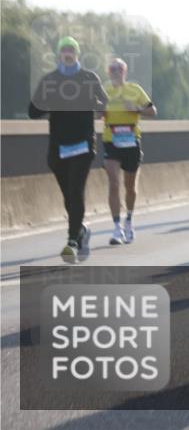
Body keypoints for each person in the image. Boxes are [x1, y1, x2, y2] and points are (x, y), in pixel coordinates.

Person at [29, 36, 108, 263]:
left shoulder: (89, 78)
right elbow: (33, 112)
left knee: (76, 191)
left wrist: (91, 106)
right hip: (58, 147)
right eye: (64, 50)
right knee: (68, 196)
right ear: (59, 54)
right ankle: (81, 230)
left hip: (83, 144)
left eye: (71, 50)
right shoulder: (50, 80)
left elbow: (104, 103)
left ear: (77, 54)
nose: (68, 53)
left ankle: (72, 241)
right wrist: (50, 104)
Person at [102, 58, 156, 245]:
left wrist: (137, 109)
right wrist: (99, 111)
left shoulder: (135, 89)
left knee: (130, 187)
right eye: (112, 69)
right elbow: (94, 112)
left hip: (132, 141)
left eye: (119, 68)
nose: (115, 71)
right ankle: (117, 228)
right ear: (108, 72)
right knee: (113, 183)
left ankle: (129, 221)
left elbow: (152, 111)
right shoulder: (103, 90)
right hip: (111, 140)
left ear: (124, 72)